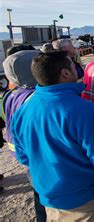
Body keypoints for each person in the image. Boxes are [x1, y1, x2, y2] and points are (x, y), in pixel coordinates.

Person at [11, 51, 94, 221]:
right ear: (65, 73)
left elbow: (23, 157)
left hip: (50, 200)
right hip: (88, 201)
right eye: (73, 65)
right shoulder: (83, 109)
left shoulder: (23, 111)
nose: (77, 68)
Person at [1, 49, 47, 221]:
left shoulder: (11, 95)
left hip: (24, 156)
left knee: (38, 194)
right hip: (39, 158)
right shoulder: (35, 99)